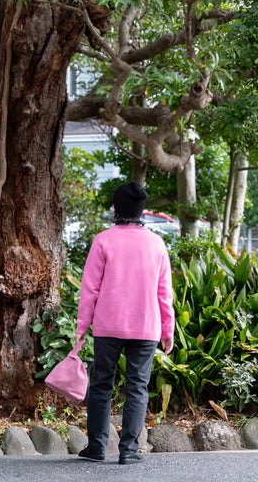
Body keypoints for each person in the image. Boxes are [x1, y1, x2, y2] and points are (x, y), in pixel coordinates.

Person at [75, 181, 175, 465]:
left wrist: (82, 328)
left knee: (101, 386)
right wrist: (167, 331)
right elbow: (164, 293)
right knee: (137, 388)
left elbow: (90, 289)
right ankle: (129, 451)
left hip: (108, 326)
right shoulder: (157, 243)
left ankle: (96, 448)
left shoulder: (103, 240)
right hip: (146, 328)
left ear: (116, 208)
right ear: (142, 211)